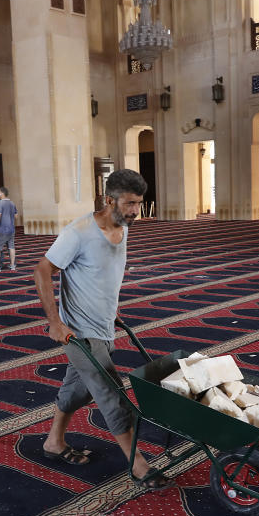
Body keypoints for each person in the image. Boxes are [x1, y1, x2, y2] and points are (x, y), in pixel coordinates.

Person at [33, 169, 172, 490]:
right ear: (109, 200)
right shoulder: (78, 233)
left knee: (77, 390)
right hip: (79, 333)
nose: (136, 211)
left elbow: (100, 277)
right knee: (112, 394)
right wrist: (55, 322)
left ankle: (54, 442)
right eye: (130, 204)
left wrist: (112, 312)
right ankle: (138, 465)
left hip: (105, 327)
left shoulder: (122, 229)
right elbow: (42, 271)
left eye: (139, 204)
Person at [0, 186, 18, 272]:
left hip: (2, 230)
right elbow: (16, 216)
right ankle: (13, 265)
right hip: (11, 229)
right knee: (11, 247)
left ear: (2, 193)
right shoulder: (12, 203)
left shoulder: (0, 203)